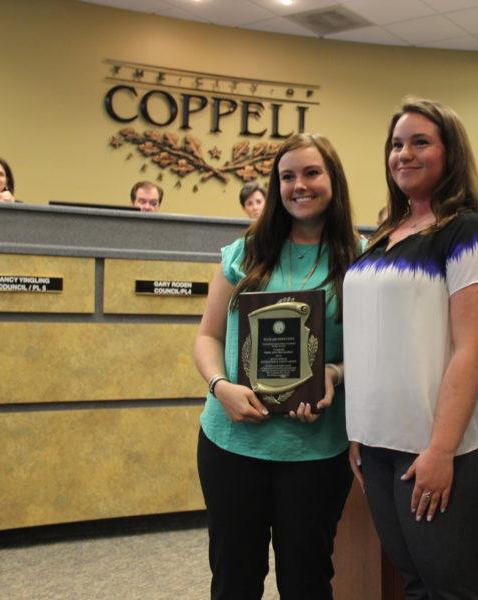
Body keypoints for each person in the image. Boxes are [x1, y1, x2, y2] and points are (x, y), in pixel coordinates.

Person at [343, 98, 478, 599]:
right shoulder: (383, 235)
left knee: (452, 589)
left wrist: (440, 449)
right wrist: (360, 433)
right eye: (396, 144)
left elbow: (473, 348)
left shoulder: (470, 231)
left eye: (420, 142)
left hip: (447, 446)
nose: (404, 154)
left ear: (450, 152)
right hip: (378, 443)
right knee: (415, 582)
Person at [193, 132, 361, 600]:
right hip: (231, 445)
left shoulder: (361, 258)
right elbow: (208, 337)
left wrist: (333, 373)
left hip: (315, 450)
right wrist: (219, 385)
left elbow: (370, 353)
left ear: (333, 180)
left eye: (311, 173)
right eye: (287, 176)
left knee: (307, 581)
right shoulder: (245, 251)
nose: (298, 185)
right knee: (234, 579)